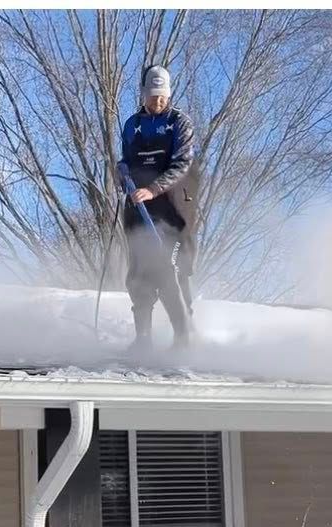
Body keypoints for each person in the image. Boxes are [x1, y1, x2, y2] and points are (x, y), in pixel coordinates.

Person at [118, 64, 199, 351]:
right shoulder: (132, 125)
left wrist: (152, 190)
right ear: (143, 95)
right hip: (140, 211)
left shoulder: (180, 123)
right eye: (153, 96)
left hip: (173, 212)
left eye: (162, 96)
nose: (158, 101)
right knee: (139, 273)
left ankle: (184, 337)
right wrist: (122, 171)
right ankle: (143, 339)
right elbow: (126, 158)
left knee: (170, 269)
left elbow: (182, 164)